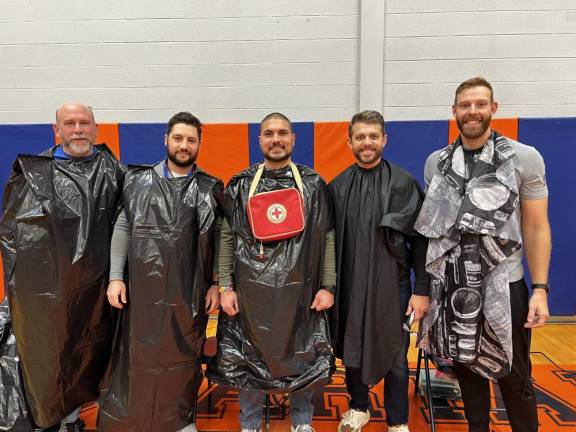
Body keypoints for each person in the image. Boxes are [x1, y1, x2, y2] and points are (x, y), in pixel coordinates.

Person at [415, 77, 551, 432]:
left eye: (479, 104)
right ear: (454, 112)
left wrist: (540, 288)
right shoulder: (437, 163)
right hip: (455, 288)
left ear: (493, 108)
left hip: (507, 285)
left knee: (514, 376)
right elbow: (433, 232)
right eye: (465, 105)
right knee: (468, 375)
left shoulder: (523, 158)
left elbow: (537, 228)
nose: (472, 111)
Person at [0, 104, 125, 432]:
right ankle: (53, 421)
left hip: (96, 288)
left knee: (88, 355)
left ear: (97, 129)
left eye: (85, 123)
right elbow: (16, 235)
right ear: (57, 130)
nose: (78, 129)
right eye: (70, 124)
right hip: (48, 290)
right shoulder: (34, 172)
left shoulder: (113, 171)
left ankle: (74, 420)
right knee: (51, 356)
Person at [209, 112, 336, 432]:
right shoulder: (238, 185)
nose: (276, 139)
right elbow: (226, 236)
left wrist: (328, 285)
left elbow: (327, 236)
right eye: (269, 133)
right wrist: (226, 284)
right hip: (251, 292)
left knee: (303, 349)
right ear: (260, 140)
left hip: (301, 289)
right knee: (248, 351)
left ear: (294, 139)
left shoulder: (312, 185)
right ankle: (250, 423)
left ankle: (302, 421)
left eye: (282, 133)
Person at [98, 112, 223, 432]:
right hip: (141, 290)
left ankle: (180, 420)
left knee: (182, 358)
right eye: (178, 138)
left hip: (188, 291)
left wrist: (215, 284)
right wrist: (115, 277)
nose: (184, 145)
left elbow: (220, 239)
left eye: (191, 140)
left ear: (199, 145)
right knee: (137, 355)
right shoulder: (137, 181)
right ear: (166, 139)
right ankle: (134, 418)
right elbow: (123, 226)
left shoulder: (209, 187)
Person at [328, 110, 429, 432]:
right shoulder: (338, 187)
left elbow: (421, 240)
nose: (367, 142)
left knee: (396, 353)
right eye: (360, 137)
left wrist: (422, 288)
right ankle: (359, 407)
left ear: (384, 139)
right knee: (353, 345)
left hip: (392, 285)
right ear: (349, 142)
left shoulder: (403, 184)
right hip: (350, 284)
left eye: (373, 136)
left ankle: (397, 420)